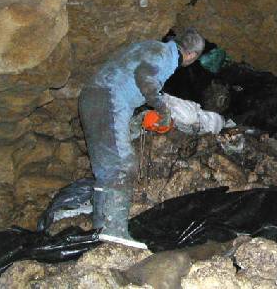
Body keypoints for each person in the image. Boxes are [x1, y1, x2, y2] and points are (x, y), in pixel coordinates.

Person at [79, 28, 205, 249]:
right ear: (192, 56)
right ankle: (114, 230)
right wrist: (162, 109)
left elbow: (127, 76)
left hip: (93, 97)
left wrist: (140, 119)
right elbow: (145, 79)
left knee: (107, 168)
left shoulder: (147, 45)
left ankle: (101, 227)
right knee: (122, 164)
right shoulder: (165, 56)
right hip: (107, 99)